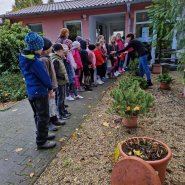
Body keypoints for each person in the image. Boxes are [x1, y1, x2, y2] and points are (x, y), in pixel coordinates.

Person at [19, 32, 56, 149]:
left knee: (37, 115)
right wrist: (50, 88)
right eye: (41, 46)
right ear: (37, 48)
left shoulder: (24, 58)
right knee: (43, 116)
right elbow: (44, 77)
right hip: (39, 92)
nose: (42, 49)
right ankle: (41, 141)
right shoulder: (35, 62)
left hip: (31, 92)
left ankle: (41, 134)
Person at [40, 37, 66, 132]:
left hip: (52, 86)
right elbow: (46, 75)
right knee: (49, 106)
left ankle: (55, 119)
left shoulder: (48, 57)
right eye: (50, 47)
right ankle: (49, 123)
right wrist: (50, 89)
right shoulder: (43, 59)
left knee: (52, 105)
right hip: (48, 88)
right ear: (46, 48)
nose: (52, 48)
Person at [50, 44, 70, 121]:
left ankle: (63, 112)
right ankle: (60, 114)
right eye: (62, 51)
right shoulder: (56, 60)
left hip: (62, 81)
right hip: (60, 82)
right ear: (59, 51)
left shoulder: (59, 58)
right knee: (60, 98)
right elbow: (55, 72)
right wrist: (63, 77)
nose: (63, 53)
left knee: (62, 98)